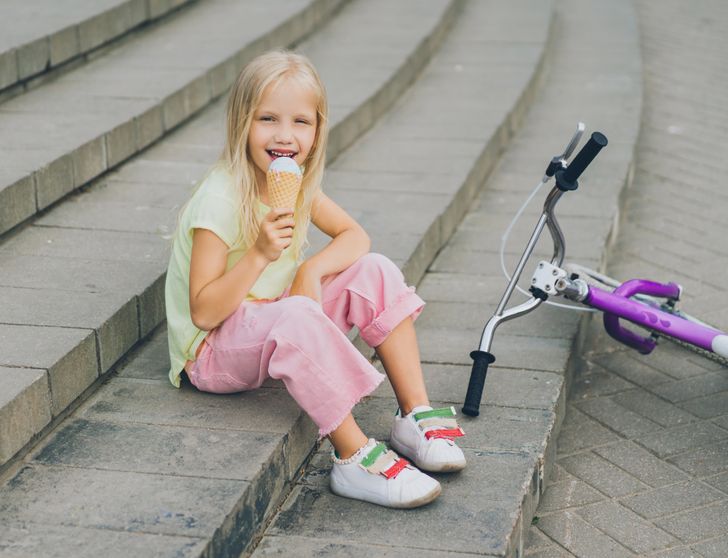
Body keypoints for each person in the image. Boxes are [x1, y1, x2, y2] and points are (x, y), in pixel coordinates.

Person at [164, 50, 466, 508]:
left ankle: (414, 414)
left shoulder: (296, 183)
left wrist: (311, 269)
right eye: (267, 119)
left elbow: (355, 236)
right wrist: (259, 255)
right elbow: (203, 312)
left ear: (318, 130)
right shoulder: (220, 200)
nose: (284, 135)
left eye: (300, 122)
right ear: (241, 123)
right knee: (296, 317)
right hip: (212, 351)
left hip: (270, 315)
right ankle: (353, 458)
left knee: (375, 269)